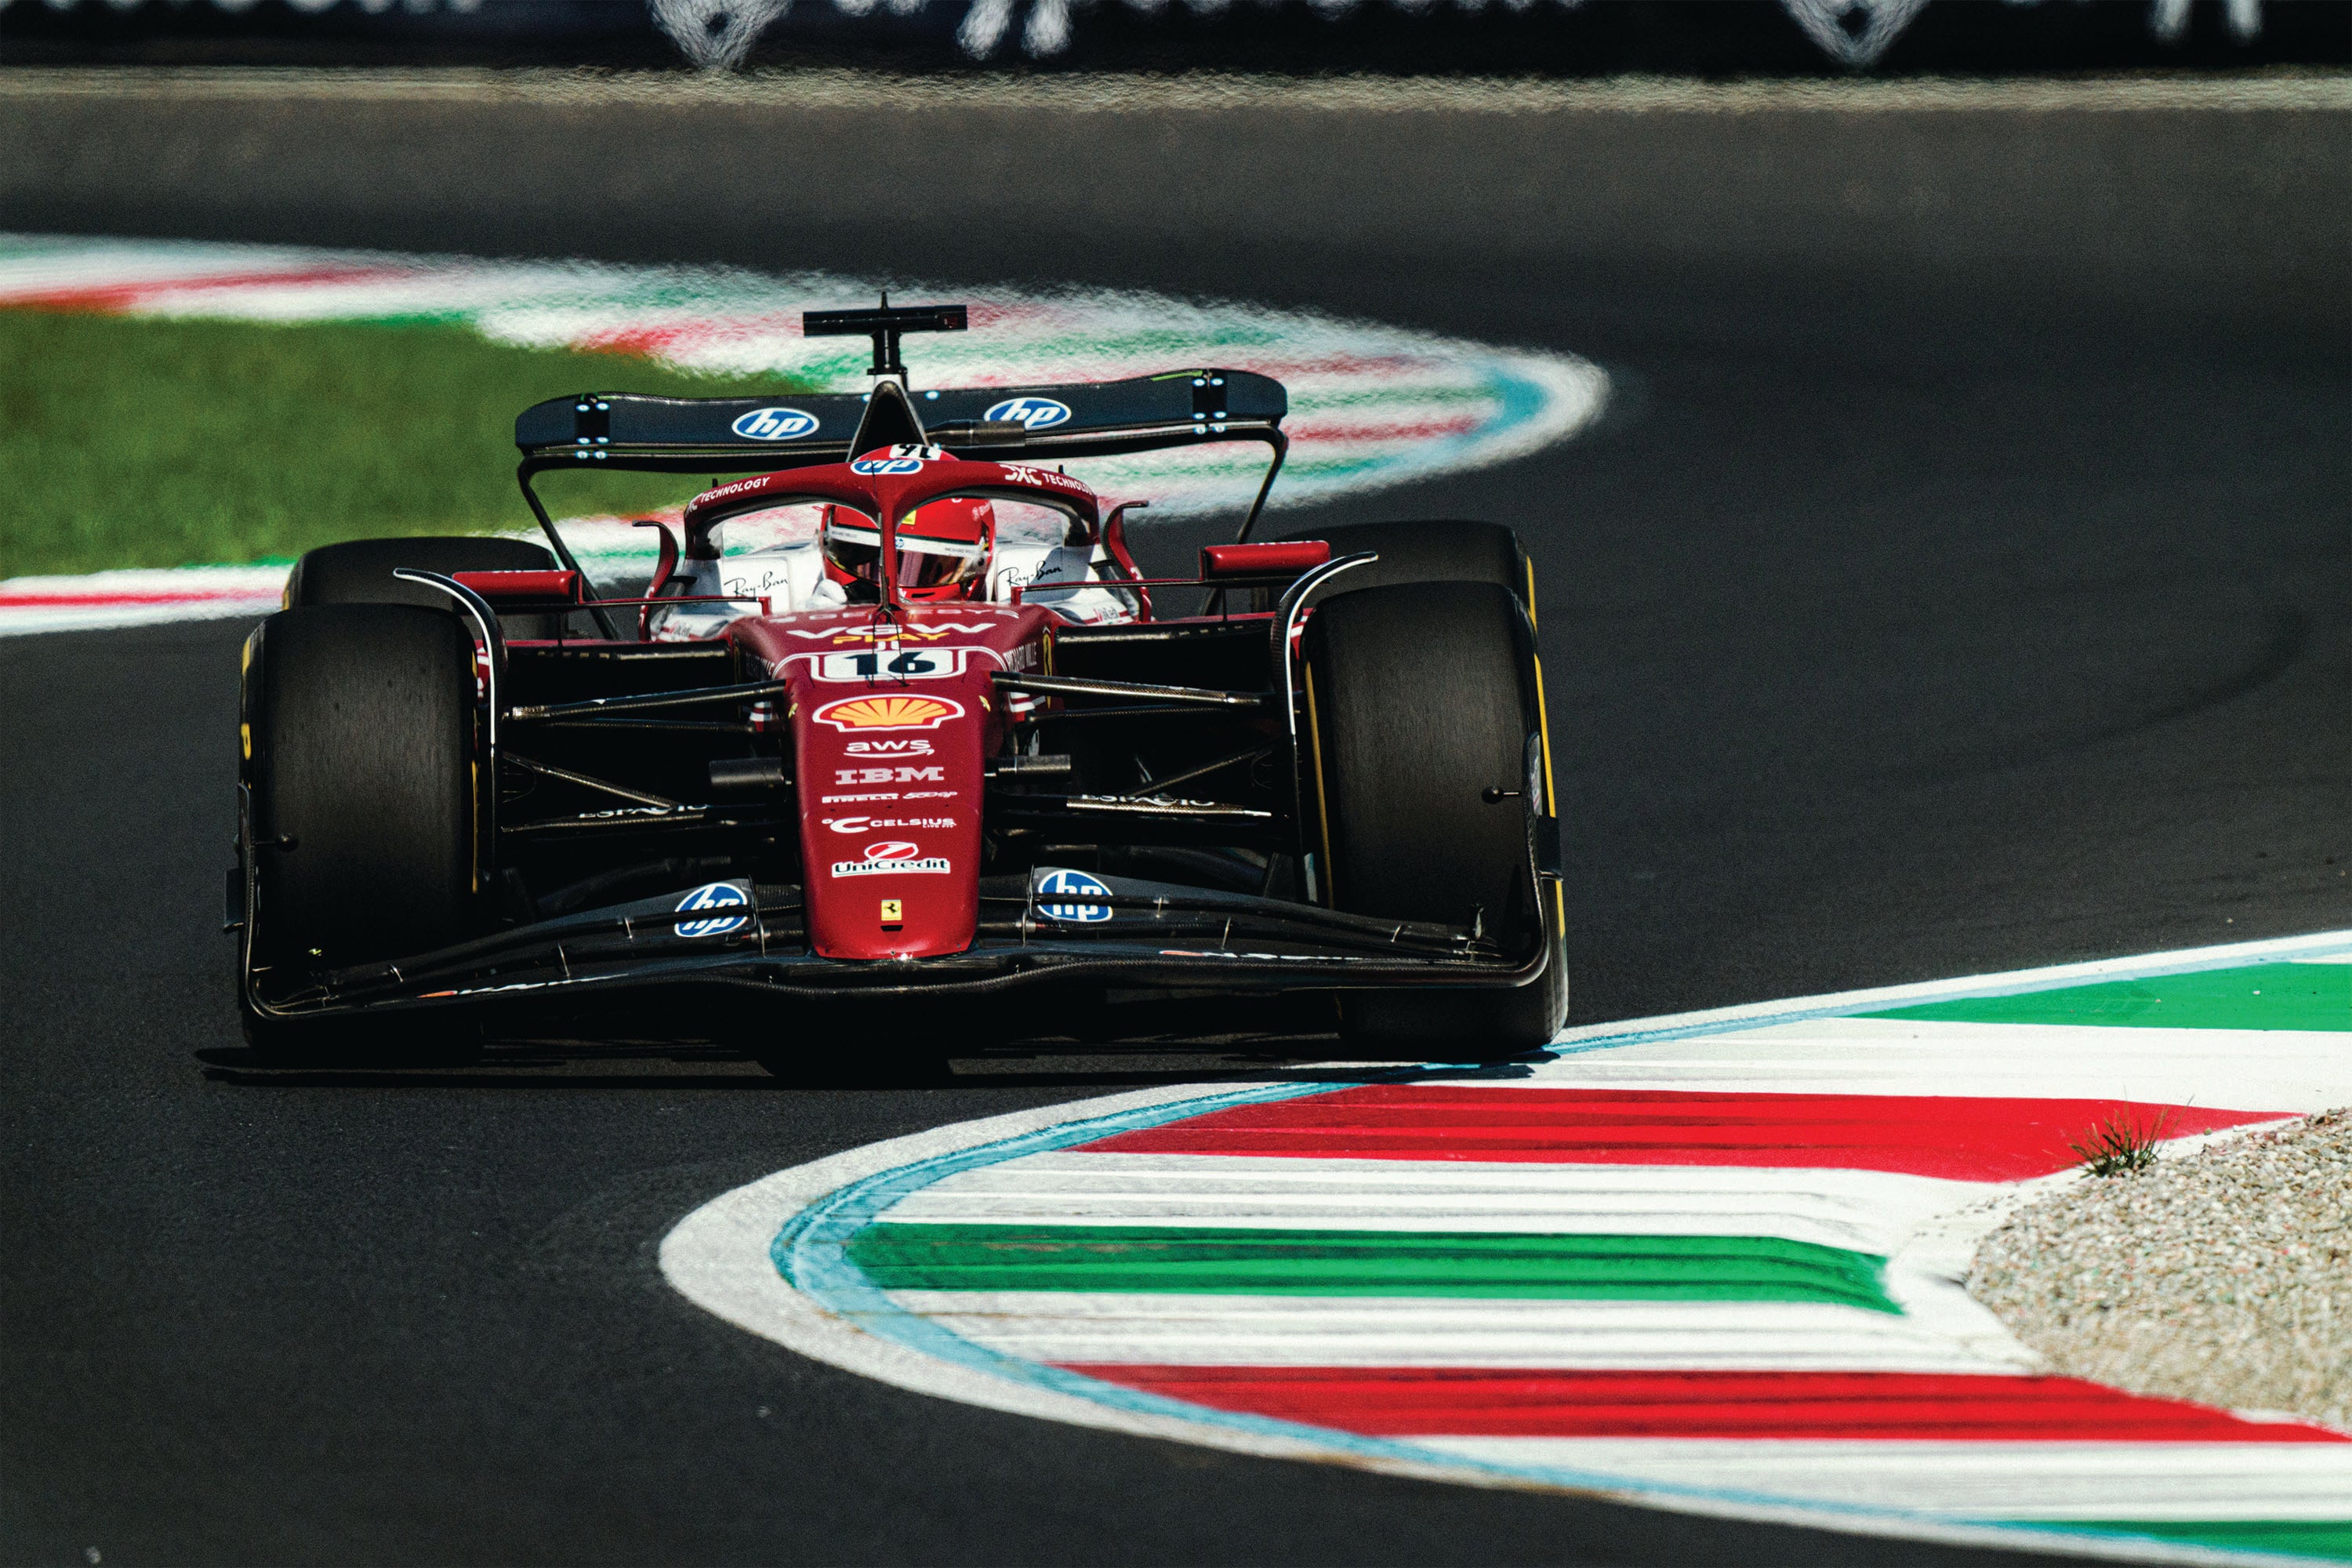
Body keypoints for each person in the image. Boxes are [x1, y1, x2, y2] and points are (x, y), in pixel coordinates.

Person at [819, 496, 996, 604]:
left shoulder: (1007, 614)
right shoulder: (810, 602)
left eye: (925, 568)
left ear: (978, 563)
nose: (896, 595)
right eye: (865, 558)